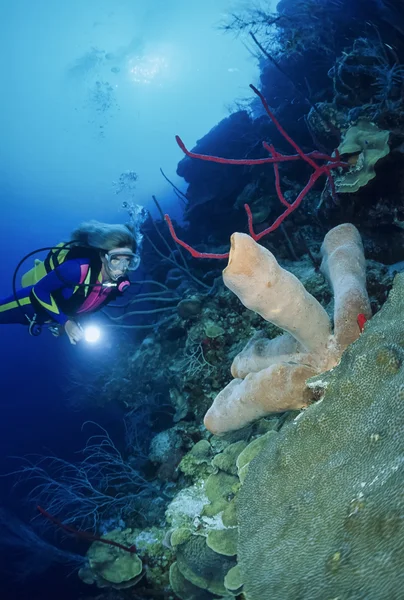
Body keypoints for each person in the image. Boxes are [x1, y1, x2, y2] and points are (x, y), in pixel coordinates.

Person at [0, 220, 139, 344]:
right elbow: (39, 290)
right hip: (28, 304)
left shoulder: (113, 286)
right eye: (116, 259)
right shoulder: (77, 269)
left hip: (44, 318)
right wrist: (66, 323)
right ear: (102, 256)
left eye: (128, 260)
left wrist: (67, 323)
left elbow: (83, 303)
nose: (122, 268)